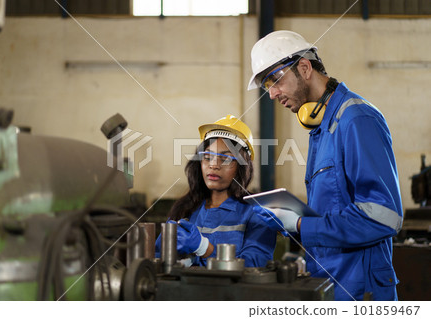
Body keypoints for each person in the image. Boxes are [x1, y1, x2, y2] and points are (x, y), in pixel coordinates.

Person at [247, 30, 403, 301]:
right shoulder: (322, 128)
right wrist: (294, 214)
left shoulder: (355, 119)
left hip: (360, 291)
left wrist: (300, 225)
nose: (272, 94)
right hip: (330, 284)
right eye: (266, 86)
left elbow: (385, 215)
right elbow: (338, 205)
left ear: (304, 67)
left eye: (275, 79)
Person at [156, 115, 277, 267]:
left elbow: (254, 265)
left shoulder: (258, 213)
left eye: (225, 159)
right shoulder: (185, 209)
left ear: (242, 166)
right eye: (207, 157)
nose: (213, 165)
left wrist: (205, 249)